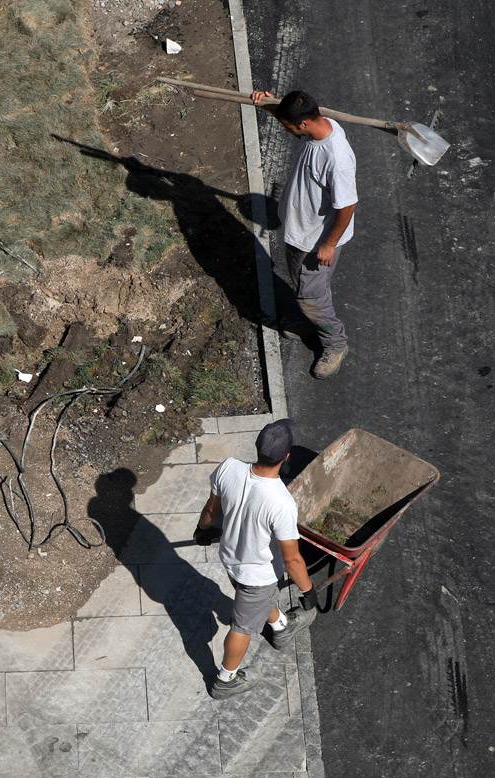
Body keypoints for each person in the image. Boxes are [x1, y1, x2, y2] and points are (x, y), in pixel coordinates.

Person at [193, 418, 319, 699]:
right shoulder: (281, 502)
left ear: (257, 446)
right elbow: (292, 560)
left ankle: (280, 627)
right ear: (286, 457)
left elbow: (211, 510)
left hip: (231, 558)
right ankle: (225, 680)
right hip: (257, 575)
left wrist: (202, 529)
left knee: (256, 603)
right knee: (241, 627)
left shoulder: (229, 468)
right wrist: (308, 590)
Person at [252, 89, 358, 379]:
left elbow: (348, 205)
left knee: (311, 297)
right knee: (303, 286)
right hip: (299, 232)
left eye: (288, 126)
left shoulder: (337, 158)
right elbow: (292, 121)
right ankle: (311, 321)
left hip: (316, 241)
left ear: (303, 123)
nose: (287, 130)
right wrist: (269, 105)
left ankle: (335, 343)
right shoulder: (318, 128)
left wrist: (329, 244)